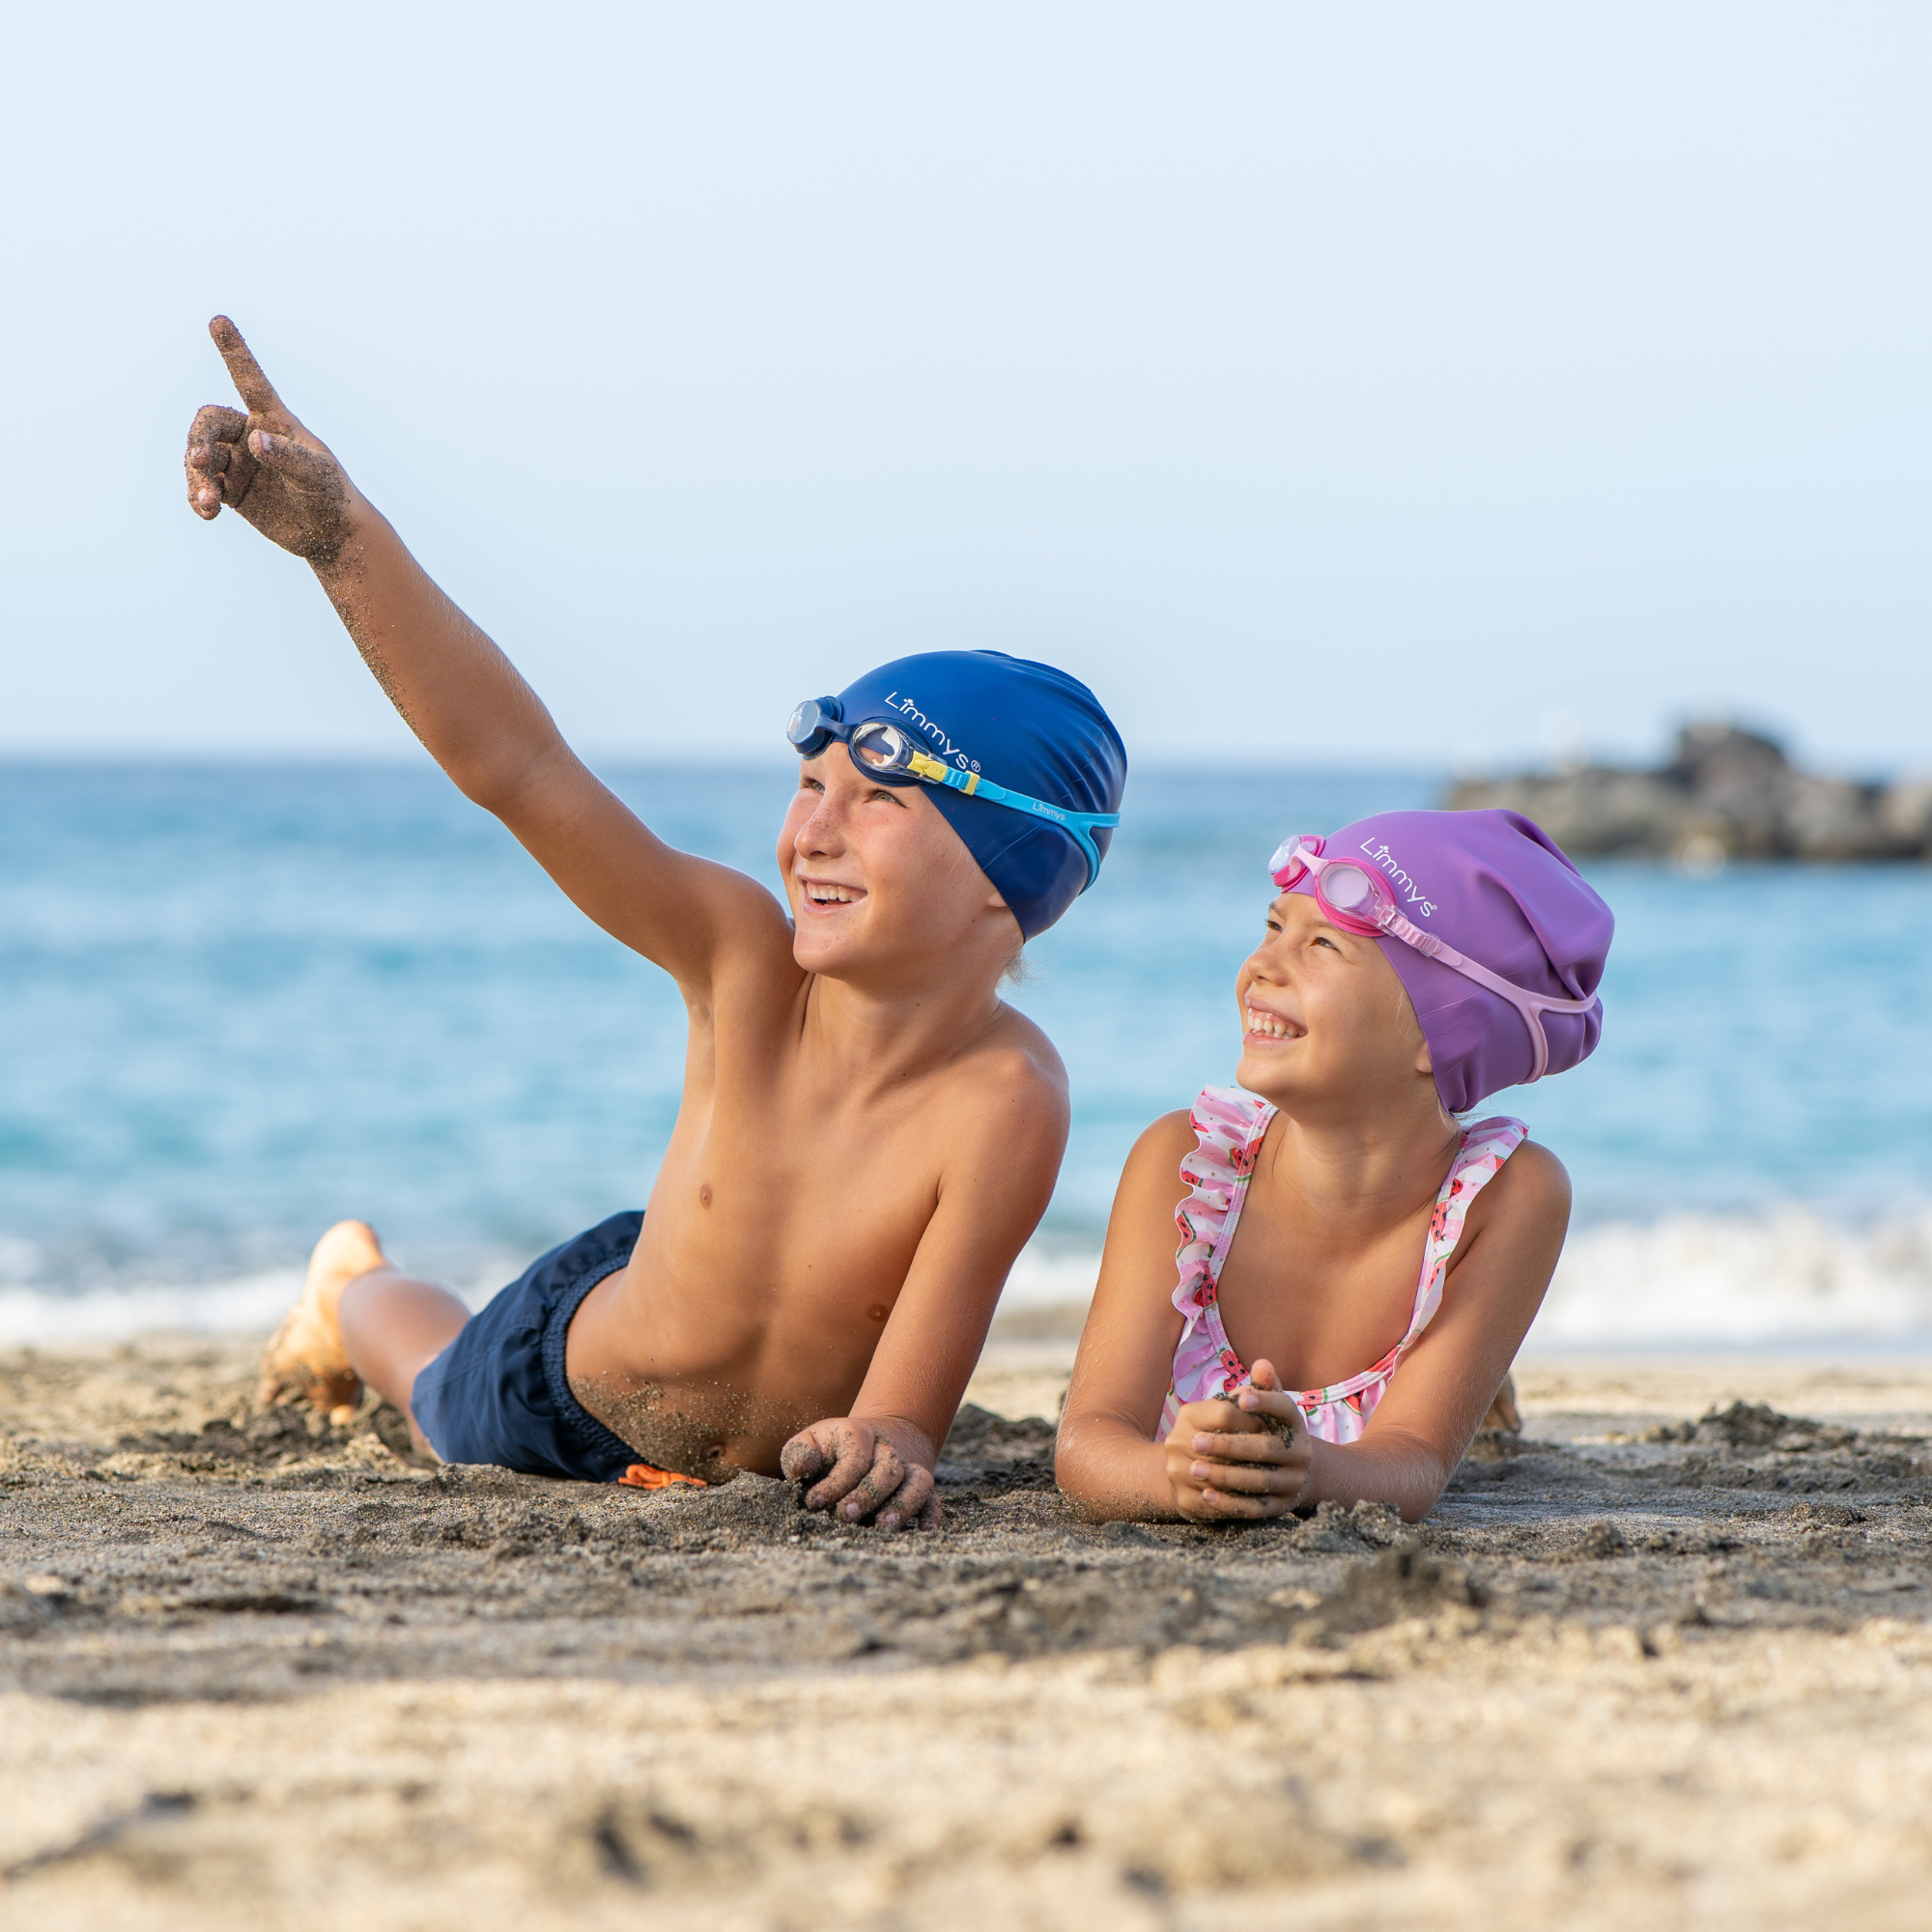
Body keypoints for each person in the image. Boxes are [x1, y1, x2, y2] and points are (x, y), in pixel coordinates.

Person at [184, 317, 1125, 1529]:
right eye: (808, 785)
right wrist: (338, 538)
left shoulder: (1006, 1096)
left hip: (705, 1378)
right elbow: (519, 767)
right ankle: (347, 1284)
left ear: (1011, 875)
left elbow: (907, 1403)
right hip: (571, 1383)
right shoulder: (742, 961)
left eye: (877, 798)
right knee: (428, 1389)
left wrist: (887, 1437)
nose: (812, 831)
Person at [1055, 809, 1611, 1524]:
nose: (1262, 965)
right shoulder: (1185, 1167)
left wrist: (1309, 1470)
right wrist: (1177, 1476)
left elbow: (1412, 1461)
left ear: (1446, 1032)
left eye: (1322, 943)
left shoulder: (1509, 1197)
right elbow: (1086, 1443)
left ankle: (1476, 1379)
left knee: (1454, 1391)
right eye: (1272, 926)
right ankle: (1480, 1381)